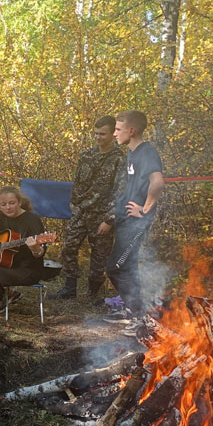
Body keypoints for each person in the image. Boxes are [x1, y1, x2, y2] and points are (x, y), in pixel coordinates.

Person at [51, 116, 125, 299]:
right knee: (69, 247)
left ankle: (94, 294)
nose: (98, 137)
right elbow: (78, 184)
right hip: (80, 211)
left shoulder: (119, 160)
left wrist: (110, 219)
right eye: (96, 133)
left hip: (102, 216)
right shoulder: (86, 155)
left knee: (99, 256)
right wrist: (74, 205)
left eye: (103, 134)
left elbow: (120, 193)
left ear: (113, 134)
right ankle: (69, 289)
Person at [104, 111, 164, 334]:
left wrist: (145, 209)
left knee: (116, 267)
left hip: (136, 223)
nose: (114, 133)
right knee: (128, 267)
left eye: (118, 129)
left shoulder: (146, 152)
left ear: (132, 131)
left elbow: (157, 182)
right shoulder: (132, 153)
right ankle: (132, 311)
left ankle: (141, 319)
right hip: (125, 220)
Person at [0, 186, 46, 316]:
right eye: (3, 204)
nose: (8, 207)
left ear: (19, 202)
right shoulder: (1, 216)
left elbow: (40, 253)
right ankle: (10, 294)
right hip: (8, 265)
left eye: (12, 203)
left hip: (28, 270)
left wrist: (35, 248)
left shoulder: (32, 220)